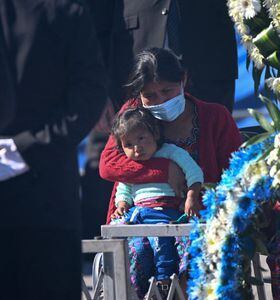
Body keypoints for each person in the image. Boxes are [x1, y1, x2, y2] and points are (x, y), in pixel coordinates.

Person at [99, 47, 242, 298]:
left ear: (184, 80)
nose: (160, 101)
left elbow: (236, 176)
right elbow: (108, 165)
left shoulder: (214, 117)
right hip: (139, 223)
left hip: (199, 228)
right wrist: (165, 170)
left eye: (167, 91)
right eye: (149, 95)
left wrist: (195, 192)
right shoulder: (132, 114)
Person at [0, 1, 107, 299]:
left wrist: (22, 149)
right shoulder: (65, 10)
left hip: (46, 199)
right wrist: (29, 146)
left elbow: (89, 92)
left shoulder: (64, 12)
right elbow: (89, 94)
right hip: (48, 188)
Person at [110, 106, 203, 295]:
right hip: (137, 216)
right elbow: (124, 188)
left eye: (141, 138)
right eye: (128, 144)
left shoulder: (172, 152)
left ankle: (164, 284)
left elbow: (194, 173)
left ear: (155, 134)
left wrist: (192, 197)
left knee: (163, 245)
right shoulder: (131, 165)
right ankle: (143, 287)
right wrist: (122, 204)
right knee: (139, 249)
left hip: (165, 213)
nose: (137, 148)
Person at [87, 0, 238, 113]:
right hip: (135, 57)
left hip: (209, 58)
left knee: (214, 145)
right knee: (137, 149)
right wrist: (100, 90)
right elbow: (98, 20)